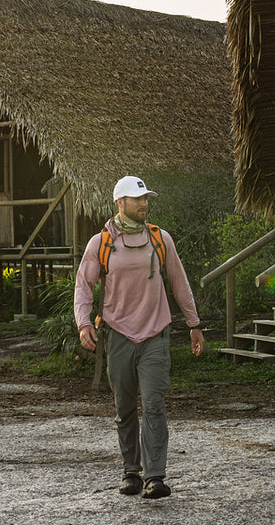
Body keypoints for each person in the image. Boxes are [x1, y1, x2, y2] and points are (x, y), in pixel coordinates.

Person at [74, 175, 204, 499]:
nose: (144, 204)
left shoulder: (161, 240)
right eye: (137, 199)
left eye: (146, 199)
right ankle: (131, 470)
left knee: (155, 404)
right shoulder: (100, 243)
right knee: (125, 407)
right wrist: (83, 322)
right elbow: (83, 285)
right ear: (121, 203)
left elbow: (179, 282)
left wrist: (194, 323)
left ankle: (155, 476)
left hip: (155, 334)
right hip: (118, 334)